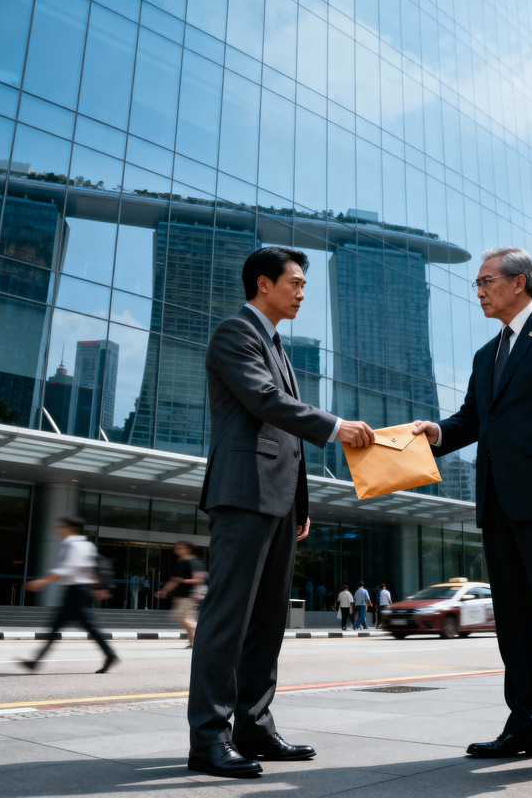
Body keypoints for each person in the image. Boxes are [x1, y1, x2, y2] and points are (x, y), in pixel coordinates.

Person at [413, 246, 532, 776]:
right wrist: (436, 432)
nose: (478, 292)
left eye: (486, 281)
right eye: (477, 284)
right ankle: (526, 727)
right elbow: (474, 420)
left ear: (519, 282)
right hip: (498, 503)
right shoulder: (485, 354)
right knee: (515, 624)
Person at [187, 246, 374, 778]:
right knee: (228, 617)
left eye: (304, 285)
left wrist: (299, 504)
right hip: (243, 493)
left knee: (268, 622)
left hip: (278, 499)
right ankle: (209, 737)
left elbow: (284, 437)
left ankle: (253, 726)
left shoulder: (276, 344)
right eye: (295, 282)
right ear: (264, 283)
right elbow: (264, 401)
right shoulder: (235, 333)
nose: (301, 293)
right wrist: (336, 427)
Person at [20, 516, 118, 674]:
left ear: (72, 528)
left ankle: (36, 661)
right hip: (78, 591)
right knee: (83, 627)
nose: (59, 530)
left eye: (62, 527)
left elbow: (68, 569)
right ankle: (109, 654)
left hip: (76, 592)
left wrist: (42, 581)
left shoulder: (75, 546)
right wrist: (98, 587)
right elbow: (90, 569)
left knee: (62, 627)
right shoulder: (86, 545)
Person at [156, 541, 205, 648]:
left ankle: (204, 632)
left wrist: (182, 581)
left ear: (188, 549)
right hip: (180, 595)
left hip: (189, 595)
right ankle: (193, 642)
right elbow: (174, 580)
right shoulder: (179, 562)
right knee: (183, 619)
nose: (177, 549)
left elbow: (199, 579)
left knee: (183, 618)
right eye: (176, 547)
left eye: (180, 547)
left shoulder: (193, 562)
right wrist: (165, 590)